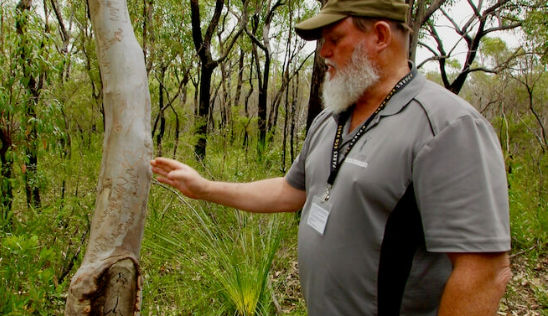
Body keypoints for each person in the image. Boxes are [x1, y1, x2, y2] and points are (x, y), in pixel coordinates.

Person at [150, 0, 512, 314]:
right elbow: (290, 191)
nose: (323, 52)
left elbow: (483, 272)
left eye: (335, 39)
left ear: (381, 37)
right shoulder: (330, 120)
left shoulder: (447, 127)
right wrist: (204, 187)